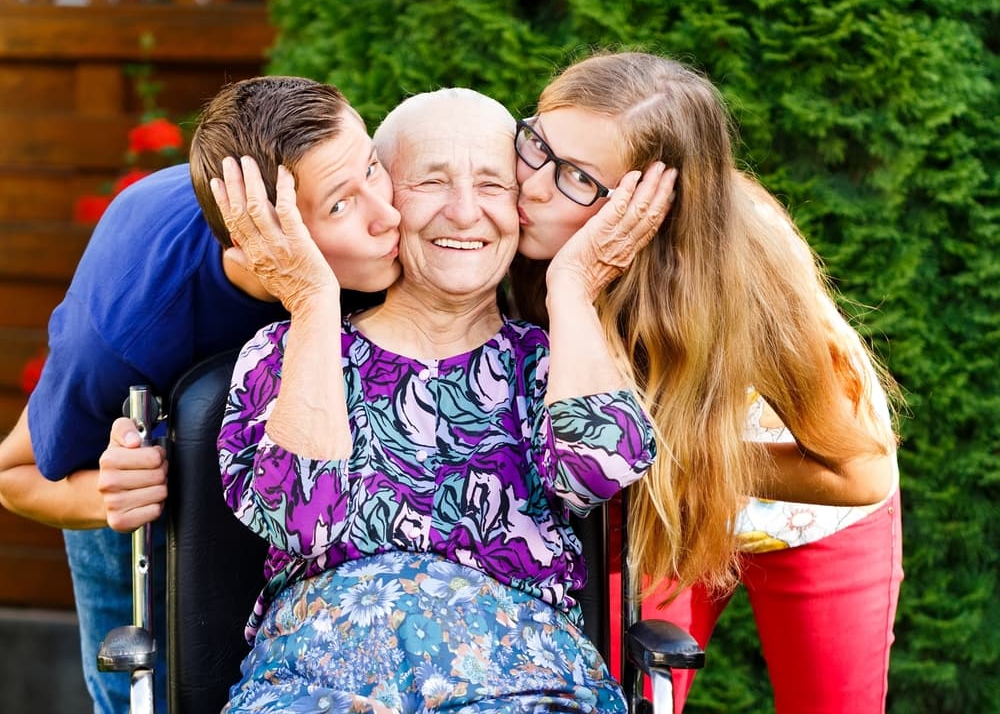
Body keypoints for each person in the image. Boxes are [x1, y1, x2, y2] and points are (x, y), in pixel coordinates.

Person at [211, 87, 674, 713]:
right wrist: (312, 300)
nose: (463, 212)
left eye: (492, 186)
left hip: (520, 685)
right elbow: (303, 520)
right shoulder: (283, 354)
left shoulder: (551, 360)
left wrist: (573, 286)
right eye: (431, 182)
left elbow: (599, 473)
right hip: (320, 685)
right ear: (387, 198)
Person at [509, 50, 902, 713]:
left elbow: (858, 472)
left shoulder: (747, 265)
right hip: (669, 507)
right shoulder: (517, 226)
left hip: (807, 508)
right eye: (537, 145)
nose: (535, 185)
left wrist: (685, 454)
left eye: (577, 175)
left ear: (654, 204)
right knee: (622, 694)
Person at [0, 76, 401, 714]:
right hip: (137, 513)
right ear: (257, 238)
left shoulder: (378, 239)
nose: (391, 215)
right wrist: (110, 495)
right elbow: (14, 475)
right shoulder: (131, 325)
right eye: (341, 206)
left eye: (373, 168)